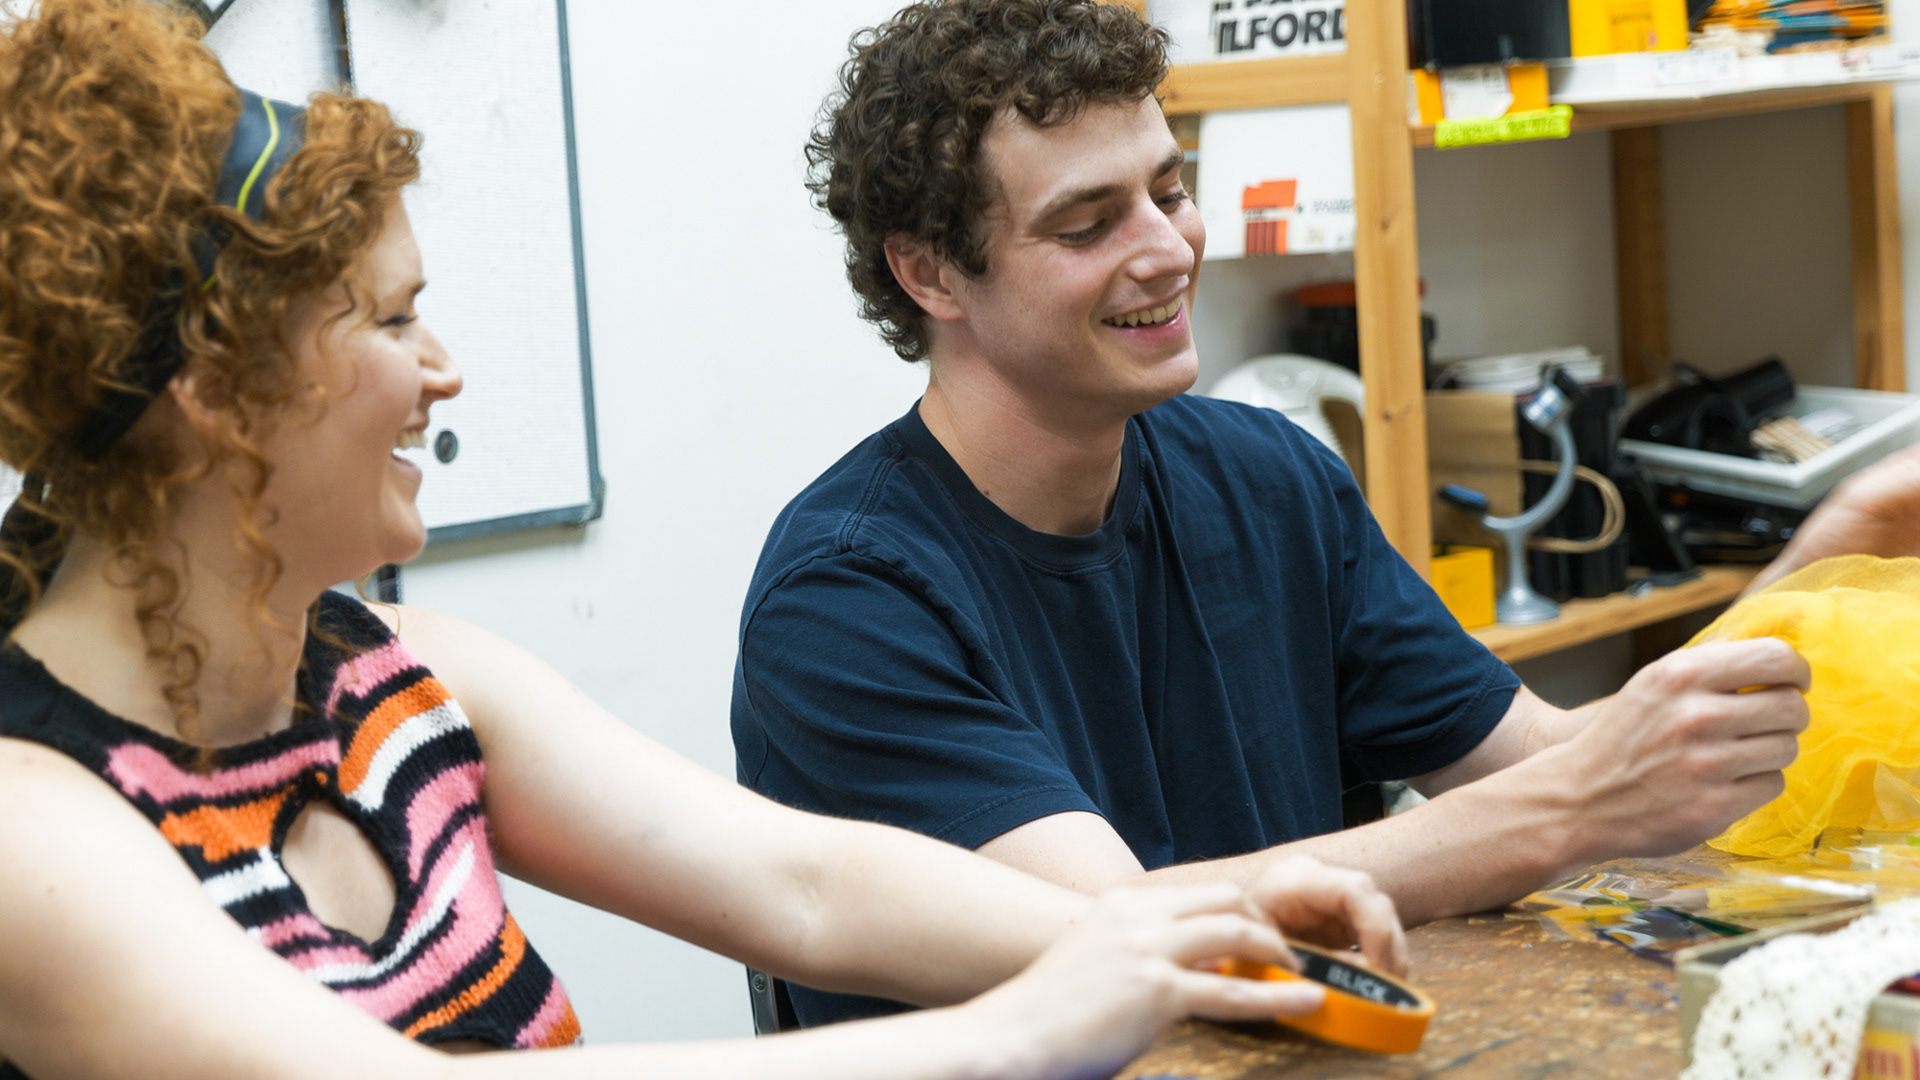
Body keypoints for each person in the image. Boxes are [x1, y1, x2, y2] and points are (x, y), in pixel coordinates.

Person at [0, 3, 1412, 1078]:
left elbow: (801, 885)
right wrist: (1020, 1027)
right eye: (391, 318)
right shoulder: (29, 830)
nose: (443, 370)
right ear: (214, 388)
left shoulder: (405, 681)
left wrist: (1183, 937)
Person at [730, 0, 1920, 1026]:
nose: (1168, 250)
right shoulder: (848, 597)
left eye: (1171, 190)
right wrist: (1573, 806)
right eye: (1088, 224)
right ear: (929, 272)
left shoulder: (1266, 477)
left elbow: (1553, 760)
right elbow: (1118, 932)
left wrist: (1825, 570)